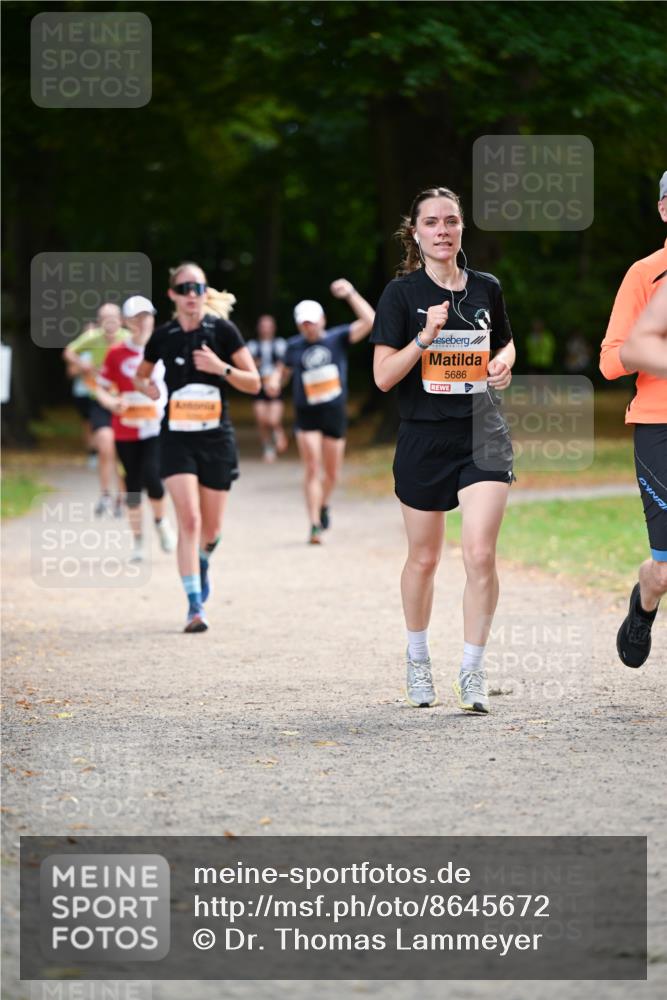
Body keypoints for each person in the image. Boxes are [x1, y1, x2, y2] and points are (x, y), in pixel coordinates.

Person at [371, 186, 515, 713]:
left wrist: (504, 362)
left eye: (450, 221)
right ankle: (416, 659)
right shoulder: (400, 296)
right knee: (425, 558)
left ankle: (472, 671)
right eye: (431, 222)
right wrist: (424, 338)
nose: (442, 230)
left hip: (482, 433)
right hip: (423, 436)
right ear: (416, 232)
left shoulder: (486, 288)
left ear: (461, 228)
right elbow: (383, 377)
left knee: (479, 553)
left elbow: (504, 340)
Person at [133, 262, 260, 632]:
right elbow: (142, 376)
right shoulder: (163, 336)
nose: (192, 295)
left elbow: (254, 383)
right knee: (188, 520)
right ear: (172, 295)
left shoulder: (222, 331)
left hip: (216, 439)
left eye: (198, 288)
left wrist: (220, 368)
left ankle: (203, 561)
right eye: (184, 288)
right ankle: (194, 607)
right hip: (176, 438)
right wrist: (149, 388)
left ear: (206, 293)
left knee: (211, 530)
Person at [599, 170, 667, 668]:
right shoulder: (646, 275)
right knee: (665, 572)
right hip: (658, 425)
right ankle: (646, 598)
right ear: (664, 210)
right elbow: (610, 361)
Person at [269, 280, 375, 544]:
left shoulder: (337, 337)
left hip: (334, 412)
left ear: (322, 320)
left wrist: (350, 294)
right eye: (304, 323)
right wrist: (273, 381)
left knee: (332, 473)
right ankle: (314, 524)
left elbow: (371, 320)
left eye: (312, 322)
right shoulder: (293, 346)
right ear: (298, 325)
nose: (309, 327)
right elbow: (281, 373)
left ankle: (324, 504)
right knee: (312, 467)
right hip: (307, 415)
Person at [94, 296, 176, 562]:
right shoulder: (117, 353)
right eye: (137, 318)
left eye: (147, 316)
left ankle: (162, 523)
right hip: (126, 428)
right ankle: (138, 540)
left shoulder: (165, 348)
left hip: (155, 427)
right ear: (127, 322)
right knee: (132, 485)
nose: (143, 323)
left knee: (153, 476)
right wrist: (112, 402)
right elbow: (101, 388)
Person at [62, 303, 128, 516]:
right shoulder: (93, 338)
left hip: (124, 402)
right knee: (105, 447)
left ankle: (122, 497)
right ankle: (105, 494)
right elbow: (69, 352)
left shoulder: (127, 338)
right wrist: (84, 364)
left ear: (121, 320)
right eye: (104, 318)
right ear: (99, 321)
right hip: (99, 399)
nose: (109, 322)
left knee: (122, 452)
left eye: (113, 317)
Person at [247, 314, 288, 462]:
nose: (265, 329)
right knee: (261, 420)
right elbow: (246, 366)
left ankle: (278, 432)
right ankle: (268, 447)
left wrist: (281, 380)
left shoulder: (280, 344)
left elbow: (286, 366)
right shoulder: (252, 345)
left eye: (268, 326)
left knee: (273, 419)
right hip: (259, 385)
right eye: (263, 326)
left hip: (275, 385)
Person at [64, 320, 98, 469]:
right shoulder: (77, 352)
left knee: (100, 425)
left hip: (99, 393)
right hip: (82, 392)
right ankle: (92, 453)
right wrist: (83, 367)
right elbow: (70, 372)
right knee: (88, 425)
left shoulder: (103, 348)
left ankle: (103, 452)